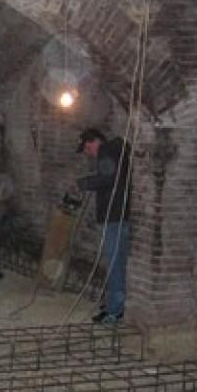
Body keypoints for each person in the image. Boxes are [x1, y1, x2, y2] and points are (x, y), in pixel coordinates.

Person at [75, 128, 132, 324]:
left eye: (87, 148)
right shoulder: (116, 151)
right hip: (119, 215)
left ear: (94, 141)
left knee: (114, 263)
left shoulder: (106, 151)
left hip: (115, 216)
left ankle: (115, 311)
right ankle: (114, 303)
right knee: (117, 262)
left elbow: (108, 178)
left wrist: (83, 183)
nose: (88, 153)